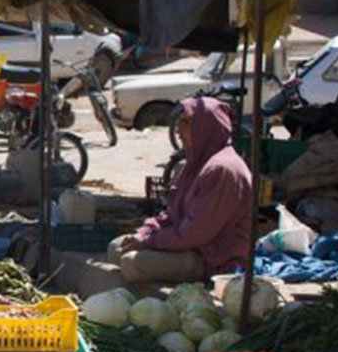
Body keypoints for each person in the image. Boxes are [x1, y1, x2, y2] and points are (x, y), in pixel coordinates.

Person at [108, 97, 252, 283]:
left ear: (205, 127)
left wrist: (149, 242)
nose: (178, 130)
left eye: (185, 123)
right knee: (116, 248)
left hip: (210, 257)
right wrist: (143, 233)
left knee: (131, 263)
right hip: (184, 244)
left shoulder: (222, 169)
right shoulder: (194, 163)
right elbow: (171, 214)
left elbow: (195, 233)